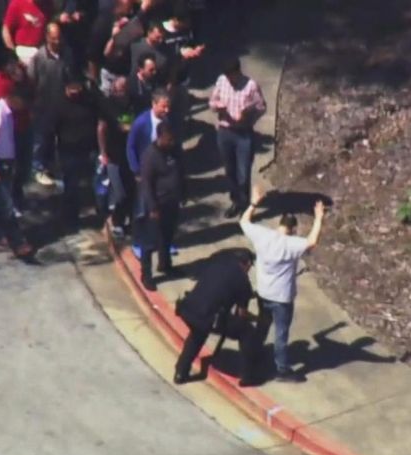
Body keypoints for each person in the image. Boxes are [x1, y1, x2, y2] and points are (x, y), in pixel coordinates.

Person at [239, 186, 325, 382]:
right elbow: (312, 241)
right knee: (281, 334)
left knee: (262, 326)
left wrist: (254, 203)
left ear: (279, 224)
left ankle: (255, 354)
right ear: (293, 229)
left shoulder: (262, 236)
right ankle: (282, 369)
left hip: (263, 293)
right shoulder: (291, 245)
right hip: (282, 299)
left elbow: (244, 221)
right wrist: (319, 217)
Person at [173, 249, 261, 386]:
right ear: (247, 263)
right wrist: (256, 318)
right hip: (210, 318)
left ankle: (180, 372)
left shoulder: (216, 264)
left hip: (188, 309)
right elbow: (241, 314)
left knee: (197, 334)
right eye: (250, 266)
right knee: (247, 331)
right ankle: (247, 376)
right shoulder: (243, 281)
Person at [208, 57, 266, 217]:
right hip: (225, 132)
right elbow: (212, 102)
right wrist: (221, 107)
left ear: (237, 72)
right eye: (227, 76)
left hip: (243, 134)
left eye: (231, 76)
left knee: (243, 172)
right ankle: (236, 201)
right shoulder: (221, 81)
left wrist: (247, 116)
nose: (229, 79)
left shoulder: (251, 86)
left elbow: (261, 107)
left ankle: (246, 204)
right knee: (230, 170)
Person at [0, 91, 34, 257]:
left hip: (7, 162)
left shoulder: (8, 113)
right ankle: (17, 242)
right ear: (14, 98)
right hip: (0, 164)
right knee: (6, 204)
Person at [136, 122, 184, 290]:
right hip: (157, 205)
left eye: (173, 139)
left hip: (172, 202)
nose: (172, 143)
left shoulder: (175, 150)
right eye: (168, 140)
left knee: (168, 236)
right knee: (150, 242)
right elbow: (147, 184)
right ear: (160, 137)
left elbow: (181, 172)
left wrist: (183, 194)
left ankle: (165, 264)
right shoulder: (150, 156)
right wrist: (153, 207)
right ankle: (146, 274)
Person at [27, 21, 74, 187]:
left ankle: (53, 167)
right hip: (43, 106)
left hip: (62, 106)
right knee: (41, 140)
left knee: (57, 140)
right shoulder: (39, 57)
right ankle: (38, 168)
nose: (57, 42)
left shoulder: (67, 54)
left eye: (59, 38)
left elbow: (71, 75)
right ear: (47, 37)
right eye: (54, 38)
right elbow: (31, 82)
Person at [54, 77, 99, 231]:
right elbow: (51, 128)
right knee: (71, 186)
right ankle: (69, 218)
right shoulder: (59, 104)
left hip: (87, 148)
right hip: (68, 150)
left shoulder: (88, 101)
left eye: (77, 88)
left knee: (90, 184)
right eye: (71, 89)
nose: (74, 92)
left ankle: (93, 213)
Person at [0, 55, 34, 216]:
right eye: (9, 64)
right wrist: (19, 86)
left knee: (25, 165)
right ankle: (11, 201)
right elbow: (13, 104)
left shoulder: (21, 73)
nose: (13, 66)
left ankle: (18, 193)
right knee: (11, 168)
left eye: (14, 62)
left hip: (25, 125)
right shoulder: (0, 81)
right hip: (10, 130)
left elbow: (32, 91)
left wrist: (22, 79)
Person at [96, 76, 136, 236]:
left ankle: (130, 221)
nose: (121, 93)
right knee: (120, 193)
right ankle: (116, 220)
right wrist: (103, 153)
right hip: (114, 156)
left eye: (124, 90)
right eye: (118, 90)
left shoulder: (134, 103)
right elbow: (101, 129)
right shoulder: (107, 105)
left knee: (132, 191)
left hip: (130, 155)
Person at [126, 88, 170, 180]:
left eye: (168, 107)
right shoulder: (140, 122)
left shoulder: (167, 120)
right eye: (163, 107)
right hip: (145, 167)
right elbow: (131, 146)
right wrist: (136, 170)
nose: (167, 110)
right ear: (154, 104)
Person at [2, 0, 54, 66]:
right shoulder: (17, 3)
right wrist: (13, 54)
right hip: (23, 52)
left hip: (42, 51)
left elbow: (50, 24)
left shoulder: (47, 3)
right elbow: (6, 29)